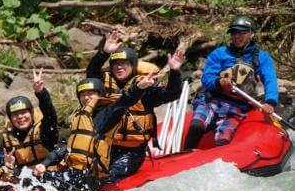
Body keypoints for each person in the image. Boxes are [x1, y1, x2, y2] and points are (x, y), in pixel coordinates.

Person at [32, 75, 156, 191]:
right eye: (83, 94)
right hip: (76, 175)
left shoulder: (108, 114)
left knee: (31, 181)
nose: (86, 97)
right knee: (34, 177)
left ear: (100, 95)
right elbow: (64, 146)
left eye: (91, 93)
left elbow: (124, 102)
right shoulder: (81, 118)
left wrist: (139, 88)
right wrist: (44, 163)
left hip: (91, 180)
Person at [86, 31, 185, 181]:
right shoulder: (103, 85)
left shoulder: (146, 87)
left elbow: (172, 94)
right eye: (116, 64)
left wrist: (175, 71)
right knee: (86, 173)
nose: (119, 67)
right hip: (104, 145)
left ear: (133, 66)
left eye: (124, 64)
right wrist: (104, 52)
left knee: (111, 177)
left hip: (131, 151)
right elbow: (92, 72)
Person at [184, 16, 279, 149]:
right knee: (196, 126)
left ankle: (219, 162)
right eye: (234, 33)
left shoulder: (262, 58)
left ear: (252, 33)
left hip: (238, 105)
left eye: (242, 33)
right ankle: (186, 153)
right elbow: (207, 77)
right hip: (212, 99)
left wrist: (270, 102)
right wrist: (219, 82)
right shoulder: (220, 53)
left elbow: (270, 80)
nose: (237, 36)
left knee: (223, 139)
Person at [1, 68, 59, 174]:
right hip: (25, 184)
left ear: (31, 114)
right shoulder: (7, 139)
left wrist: (41, 93)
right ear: (10, 119)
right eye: (15, 115)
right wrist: (7, 166)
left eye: (24, 112)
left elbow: (50, 114)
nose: (20, 117)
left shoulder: (44, 130)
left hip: (50, 178)